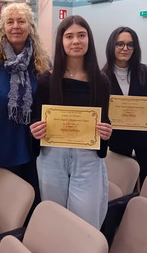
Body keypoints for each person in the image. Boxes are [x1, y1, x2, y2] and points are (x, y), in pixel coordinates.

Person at [30, 15, 112, 229]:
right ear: (61, 41)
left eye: (81, 35)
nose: (76, 41)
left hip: (87, 158)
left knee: (85, 223)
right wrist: (36, 129)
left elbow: (105, 120)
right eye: (69, 36)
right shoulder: (47, 80)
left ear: (89, 40)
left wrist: (106, 131)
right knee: (55, 218)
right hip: (52, 157)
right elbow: (36, 119)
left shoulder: (101, 81)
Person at [0, 2, 50, 213]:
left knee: (35, 200)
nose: (15, 26)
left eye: (21, 21)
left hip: (36, 147)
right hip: (1, 145)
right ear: (3, 28)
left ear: (30, 27)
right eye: (10, 22)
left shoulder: (43, 64)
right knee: (7, 204)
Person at [102, 26, 147, 186]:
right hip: (119, 140)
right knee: (122, 184)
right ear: (112, 46)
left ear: (135, 48)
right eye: (120, 44)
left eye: (130, 45)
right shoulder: (101, 77)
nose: (125, 48)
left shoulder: (146, 73)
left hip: (146, 139)